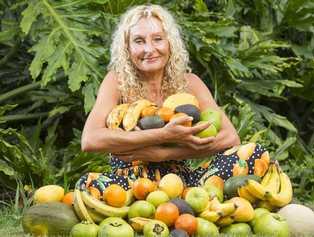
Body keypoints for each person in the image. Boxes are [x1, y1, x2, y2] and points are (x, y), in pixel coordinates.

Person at [80, 4, 268, 193]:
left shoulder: (190, 83)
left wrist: (164, 153)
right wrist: (162, 135)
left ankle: (189, 206)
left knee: (253, 154)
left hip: (184, 183)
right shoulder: (117, 81)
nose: (149, 49)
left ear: (170, 43)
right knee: (88, 186)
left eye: (157, 39)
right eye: (139, 41)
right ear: (127, 48)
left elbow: (229, 137)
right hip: (131, 186)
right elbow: (90, 139)